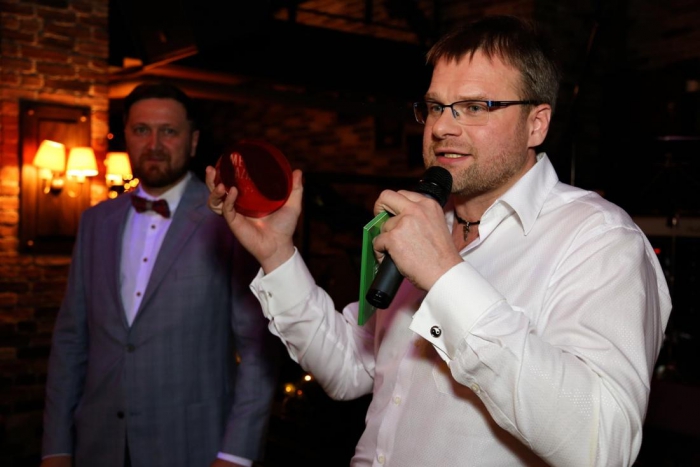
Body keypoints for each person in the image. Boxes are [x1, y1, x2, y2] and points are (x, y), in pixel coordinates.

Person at [206, 15, 672, 467]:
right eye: (435, 106)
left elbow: (602, 445)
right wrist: (277, 254)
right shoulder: (416, 224)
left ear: (537, 124)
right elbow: (350, 368)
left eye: (476, 107)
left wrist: (447, 277)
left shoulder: (599, 240)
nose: (442, 127)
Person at [41, 82, 279, 467]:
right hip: (98, 445)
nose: (153, 144)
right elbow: (71, 341)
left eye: (168, 131)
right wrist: (56, 447)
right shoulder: (95, 221)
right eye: (141, 130)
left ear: (193, 141)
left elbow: (257, 349)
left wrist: (237, 454)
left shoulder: (228, 222)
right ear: (126, 136)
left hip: (193, 445)